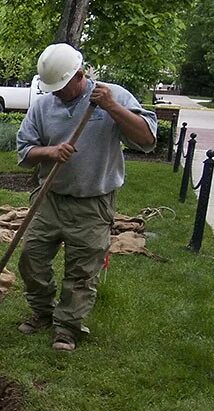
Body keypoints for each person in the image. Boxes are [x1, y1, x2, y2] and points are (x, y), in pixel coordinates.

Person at [15, 43, 157, 351]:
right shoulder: (43, 106)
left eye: (61, 87)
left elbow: (147, 140)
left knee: (82, 270)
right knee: (31, 259)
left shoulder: (112, 96)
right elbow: (24, 152)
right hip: (48, 198)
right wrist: (49, 152)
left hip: (93, 201)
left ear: (80, 75)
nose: (55, 93)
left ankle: (67, 326)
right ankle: (42, 311)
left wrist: (112, 108)